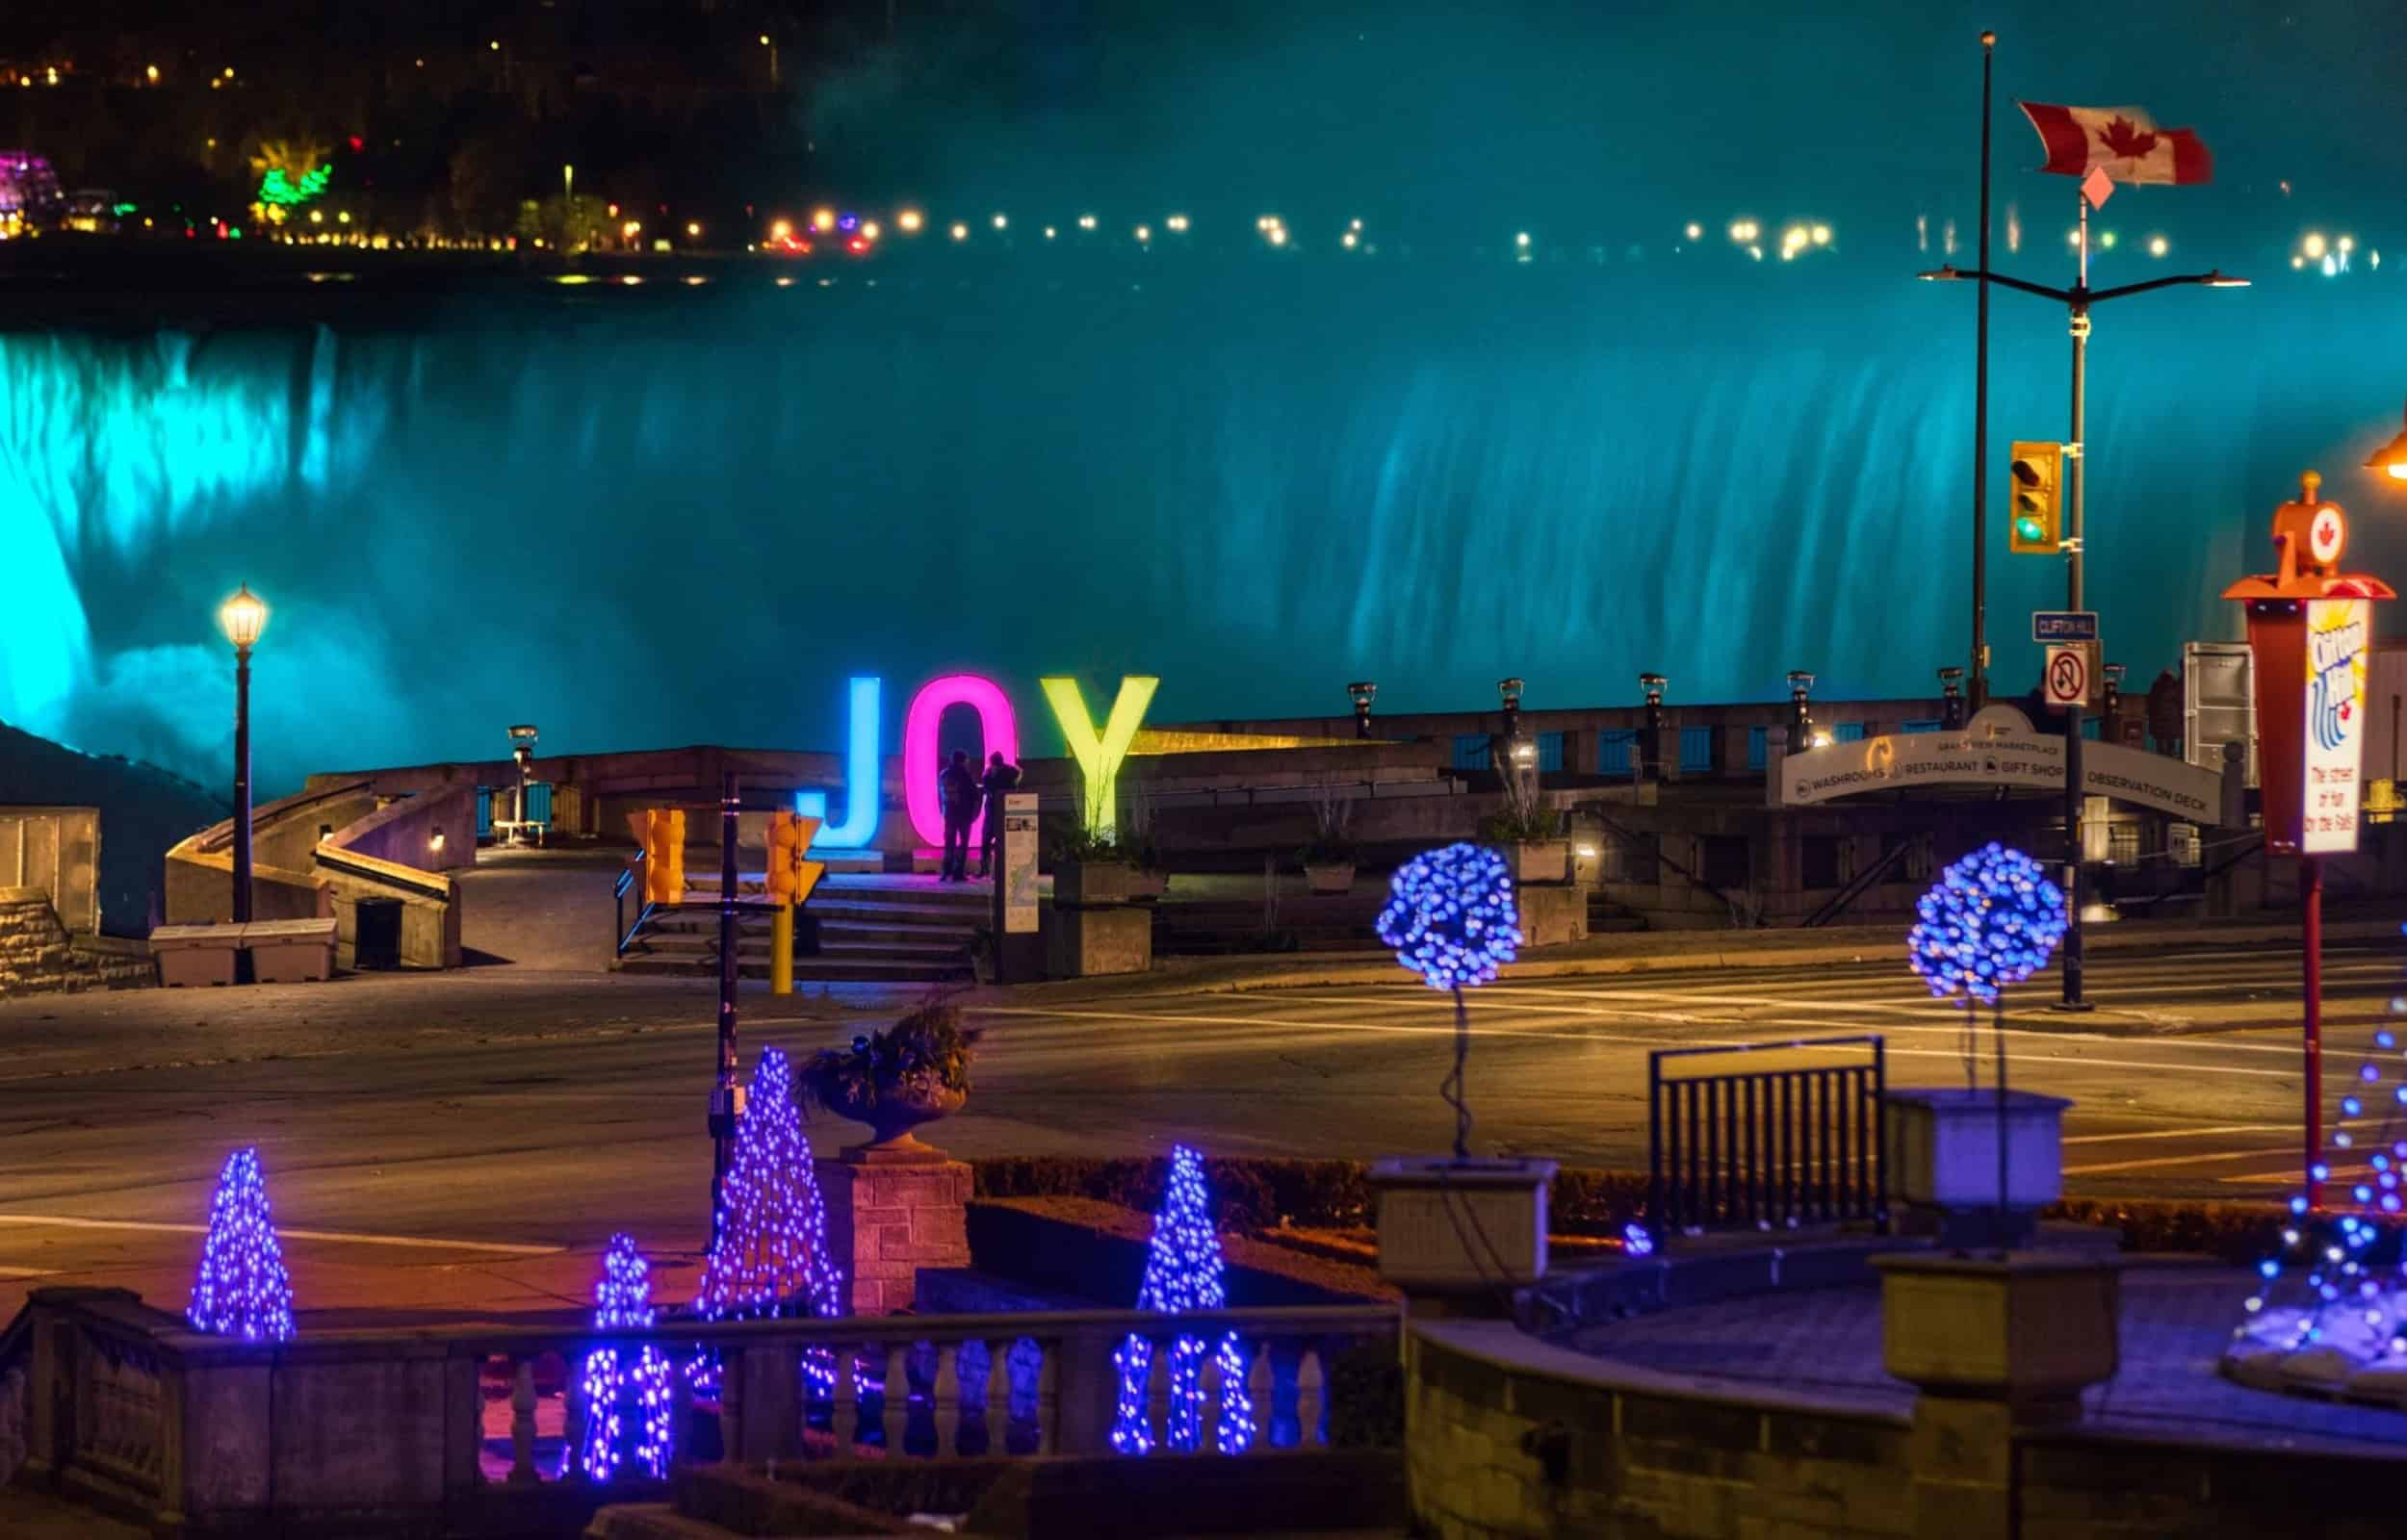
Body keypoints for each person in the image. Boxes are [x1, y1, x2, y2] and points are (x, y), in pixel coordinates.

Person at [973, 751, 1022, 879]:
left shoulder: (995, 773)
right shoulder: (995, 773)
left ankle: (992, 870)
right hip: (998, 811)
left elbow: (1018, 773)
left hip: (998, 812)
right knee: (988, 842)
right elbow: (1018, 774)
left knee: (991, 843)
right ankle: (989, 870)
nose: (994, 767)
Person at [939, 750, 980, 881]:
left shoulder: (944, 774)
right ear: (963, 761)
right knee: (963, 844)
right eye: (966, 760)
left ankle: (945, 872)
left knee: (949, 844)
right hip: (963, 815)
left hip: (949, 814)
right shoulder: (965, 774)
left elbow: (941, 793)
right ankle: (958, 873)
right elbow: (974, 793)